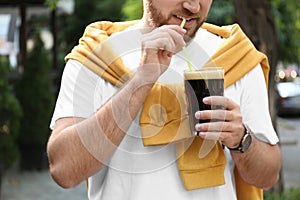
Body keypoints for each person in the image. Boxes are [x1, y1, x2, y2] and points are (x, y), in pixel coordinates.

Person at [47, 0, 281, 199]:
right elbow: (64, 170)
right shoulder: (96, 56)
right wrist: (141, 81)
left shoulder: (236, 57)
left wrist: (241, 138)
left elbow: (268, 176)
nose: (193, 6)